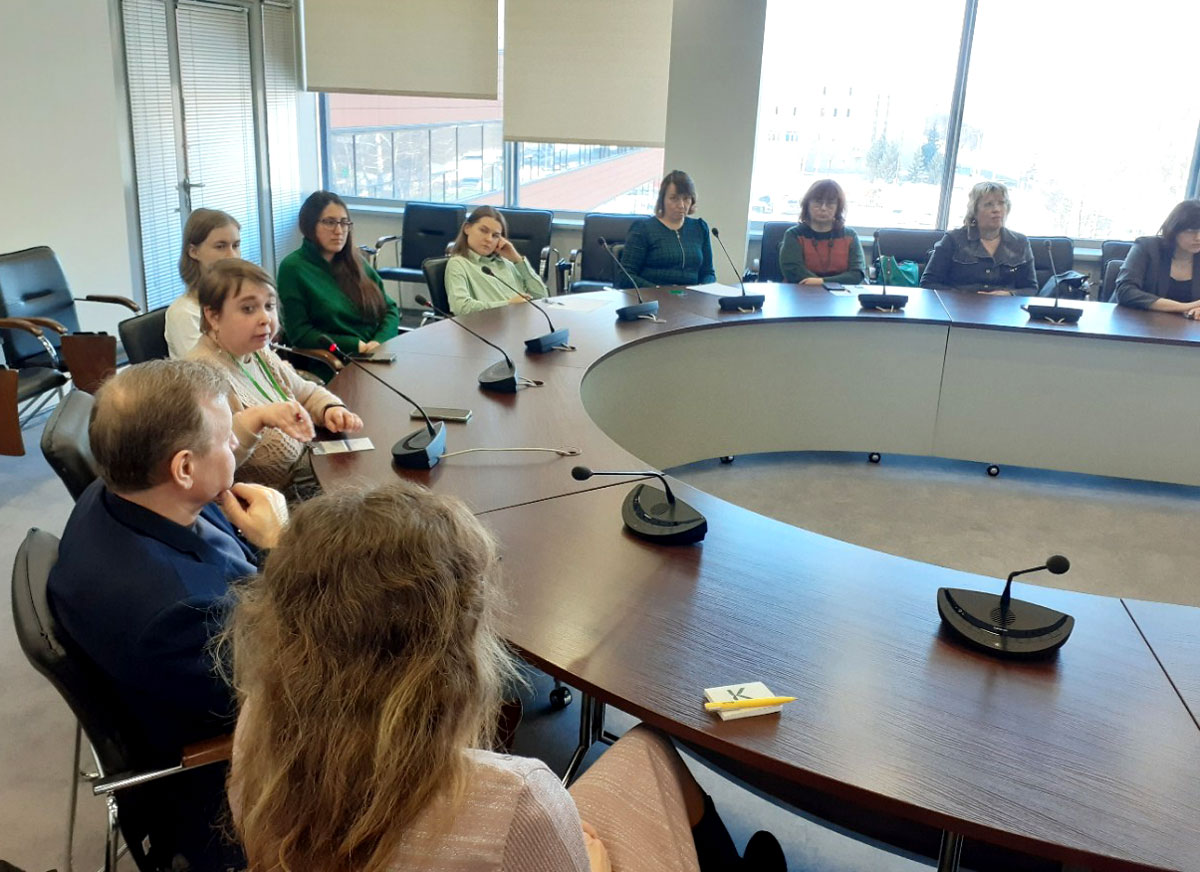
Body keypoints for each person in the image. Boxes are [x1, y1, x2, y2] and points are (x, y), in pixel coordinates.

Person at [225, 481, 788, 872]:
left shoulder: (258, 726)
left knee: (647, 751)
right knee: (650, 751)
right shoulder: (513, 797)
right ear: (454, 650)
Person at [47, 358, 293, 871]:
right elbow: (287, 681)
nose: (236, 444)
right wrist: (280, 549)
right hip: (231, 777)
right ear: (183, 468)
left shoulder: (123, 489)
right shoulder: (174, 613)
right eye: (225, 438)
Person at [189, 259, 363, 492]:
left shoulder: (258, 352)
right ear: (213, 316)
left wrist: (330, 409)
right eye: (248, 309)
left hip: (308, 474)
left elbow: (306, 393)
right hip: (267, 500)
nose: (265, 318)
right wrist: (256, 418)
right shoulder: (200, 375)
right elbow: (207, 470)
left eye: (269, 306)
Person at [276, 190, 399, 353]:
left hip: (375, 352)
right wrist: (354, 345)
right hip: (334, 359)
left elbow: (390, 309)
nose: (339, 231)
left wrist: (379, 341)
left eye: (344, 223)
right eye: (330, 222)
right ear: (309, 225)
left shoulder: (355, 261)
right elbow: (300, 334)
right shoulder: (293, 268)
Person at [920, 181, 1037, 295]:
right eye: (988, 204)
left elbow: (1030, 288)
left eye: (1002, 203)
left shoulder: (1020, 242)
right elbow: (928, 283)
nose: (997, 209)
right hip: (960, 305)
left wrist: (1009, 294)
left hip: (1005, 306)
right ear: (974, 211)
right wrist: (965, 296)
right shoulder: (953, 239)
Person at [619, 170, 716, 289]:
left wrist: (703, 288)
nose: (681, 205)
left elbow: (708, 273)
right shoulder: (643, 229)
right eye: (674, 198)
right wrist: (660, 291)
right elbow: (625, 277)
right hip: (653, 296)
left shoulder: (699, 228)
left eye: (686, 198)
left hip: (691, 297)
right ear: (662, 200)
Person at [166, 208, 242, 358]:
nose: (232, 255)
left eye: (235, 245)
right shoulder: (184, 313)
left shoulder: (236, 299)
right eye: (220, 246)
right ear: (194, 252)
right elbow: (206, 368)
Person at [444, 205, 548, 314]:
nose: (489, 239)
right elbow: (461, 307)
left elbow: (542, 296)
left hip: (521, 319)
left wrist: (517, 260)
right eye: (483, 230)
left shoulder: (507, 263)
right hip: (490, 323)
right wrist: (508, 305)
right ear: (467, 228)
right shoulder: (458, 264)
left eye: (495, 235)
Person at [1114, 199, 1200, 317]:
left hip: (1187, 327)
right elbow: (1125, 291)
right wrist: (1186, 307)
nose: (1198, 238)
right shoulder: (1147, 247)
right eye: (1191, 231)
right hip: (1136, 322)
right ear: (1174, 229)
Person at [778, 179, 866, 285]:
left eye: (830, 203)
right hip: (800, 290)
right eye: (818, 202)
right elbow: (793, 271)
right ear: (807, 205)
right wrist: (825, 283)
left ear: (838, 208)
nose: (823, 208)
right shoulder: (794, 235)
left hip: (840, 294)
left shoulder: (850, 236)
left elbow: (857, 274)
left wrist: (822, 282)